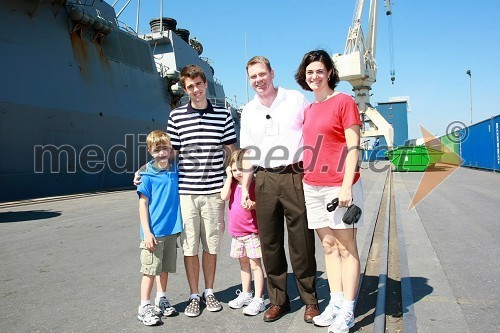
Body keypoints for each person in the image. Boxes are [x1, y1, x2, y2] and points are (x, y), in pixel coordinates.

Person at [239, 56, 319, 323]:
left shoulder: (295, 99)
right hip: (264, 179)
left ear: (272, 73)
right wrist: (245, 188)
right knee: (270, 243)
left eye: (262, 74)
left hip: (295, 174)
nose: (259, 80)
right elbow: (248, 153)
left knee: (301, 241)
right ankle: (278, 301)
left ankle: (310, 300)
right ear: (249, 80)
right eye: (253, 77)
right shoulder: (248, 111)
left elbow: (313, 134)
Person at [295, 50, 364, 333]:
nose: (314, 76)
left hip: (339, 185)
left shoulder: (344, 102)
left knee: (347, 248)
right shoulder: (309, 109)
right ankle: (335, 302)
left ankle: (347, 309)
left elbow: (353, 146)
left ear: (329, 73)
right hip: (312, 185)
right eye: (309, 72)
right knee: (328, 246)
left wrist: (347, 184)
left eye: (319, 71)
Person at [166, 64, 237, 317]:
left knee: (211, 246)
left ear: (205, 84)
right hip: (186, 193)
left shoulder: (223, 115)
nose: (195, 90)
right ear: (185, 90)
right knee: (190, 247)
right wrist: (148, 171)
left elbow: (231, 151)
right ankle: (194, 295)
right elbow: (170, 154)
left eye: (198, 84)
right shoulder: (176, 117)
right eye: (190, 87)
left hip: (215, 192)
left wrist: (233, 178)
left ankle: (209, 291)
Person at [136, 130, 182, 326]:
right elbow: (143, 204)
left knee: (164, 270)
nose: (162, 153)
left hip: (171, 231)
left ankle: (161, 298)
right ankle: (144, 307)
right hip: (153, 233)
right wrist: (147, 232)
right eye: (157, 150)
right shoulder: (146, 175)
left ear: (170, 148)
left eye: (165, 148)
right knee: (150, 271)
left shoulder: (175, 170)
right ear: (150, 151)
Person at [220, 149, 265, 316]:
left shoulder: (252, 184)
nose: (238, 172)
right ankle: (246, 294)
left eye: (241, 169)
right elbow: (224, 196)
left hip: (251, 233)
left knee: (255, 265)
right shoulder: (232, 184)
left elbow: (260, 203)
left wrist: (254, 204)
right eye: (234, 169)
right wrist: (229, 177)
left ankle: (258, 299)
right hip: (237, 234)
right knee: (243, 264)